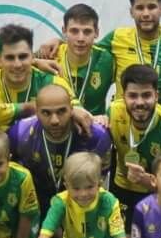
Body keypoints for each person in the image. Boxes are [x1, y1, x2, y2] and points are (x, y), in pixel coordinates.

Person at [8, 83, 112, 213]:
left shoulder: (96, 136)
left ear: (72, 110)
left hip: (80, 207)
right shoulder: (19, 134)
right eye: (46, 113)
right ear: (36, 112)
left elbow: (100, 183)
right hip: (35, 206)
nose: (54, 120)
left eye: (61, 111)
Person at [107, 63, 161, 211]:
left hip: (158, 193)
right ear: (123, 96)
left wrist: (145, 180)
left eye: (146, 95)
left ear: (156, 96)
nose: (139, 103)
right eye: (132, 96)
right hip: (122, 186)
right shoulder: (114, 112)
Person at [32, 152, 127, 238]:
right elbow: (45, 233)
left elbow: (119, 235)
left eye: (89, 187)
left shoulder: (109, 202)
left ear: (99, 183)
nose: (83, 194)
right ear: (66, 186)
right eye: (76, 188)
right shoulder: (60, 202)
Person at [0, 24, 72, 107]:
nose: (17, 64)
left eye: (22, 57)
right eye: (10, 58)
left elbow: (77, 110)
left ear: (32, 57)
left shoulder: (53, 83)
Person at [54, 3, 116, 115]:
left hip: (95, 124)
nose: (80, 38)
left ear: (96, 33)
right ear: (64, 31)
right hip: (57, 123)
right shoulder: (51, 56)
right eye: (74, 31)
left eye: (87, 31)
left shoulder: (107, 59)